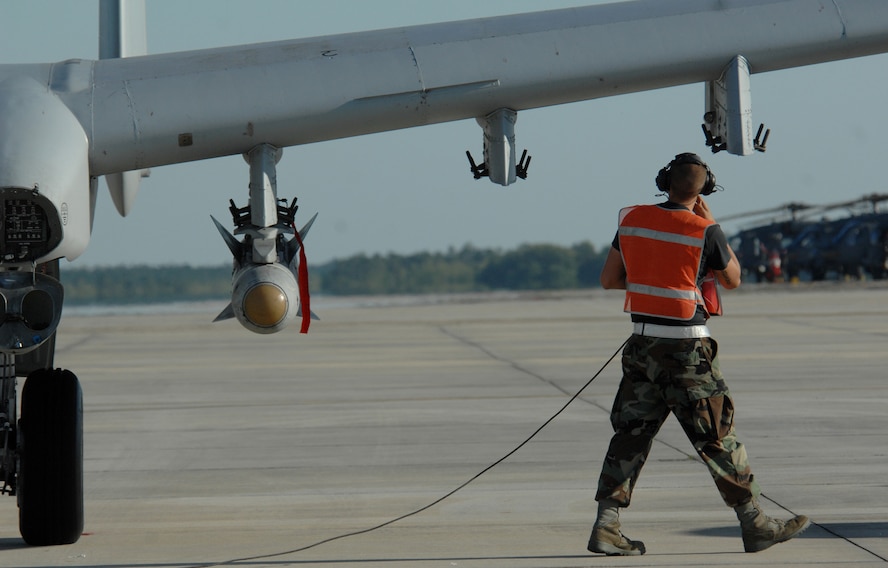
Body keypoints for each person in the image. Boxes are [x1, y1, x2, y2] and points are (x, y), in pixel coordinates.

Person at [588, 153, 810, 556]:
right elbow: (733, 279)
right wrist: (711, 224)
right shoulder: (705, 230)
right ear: (704, 188)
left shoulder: (633, 220)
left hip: (642, 347)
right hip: (688, 350)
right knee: (717, 436)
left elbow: (609, 279)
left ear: (664, 182)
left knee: (631, 436)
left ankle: (607, 526)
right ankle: (755, 524)